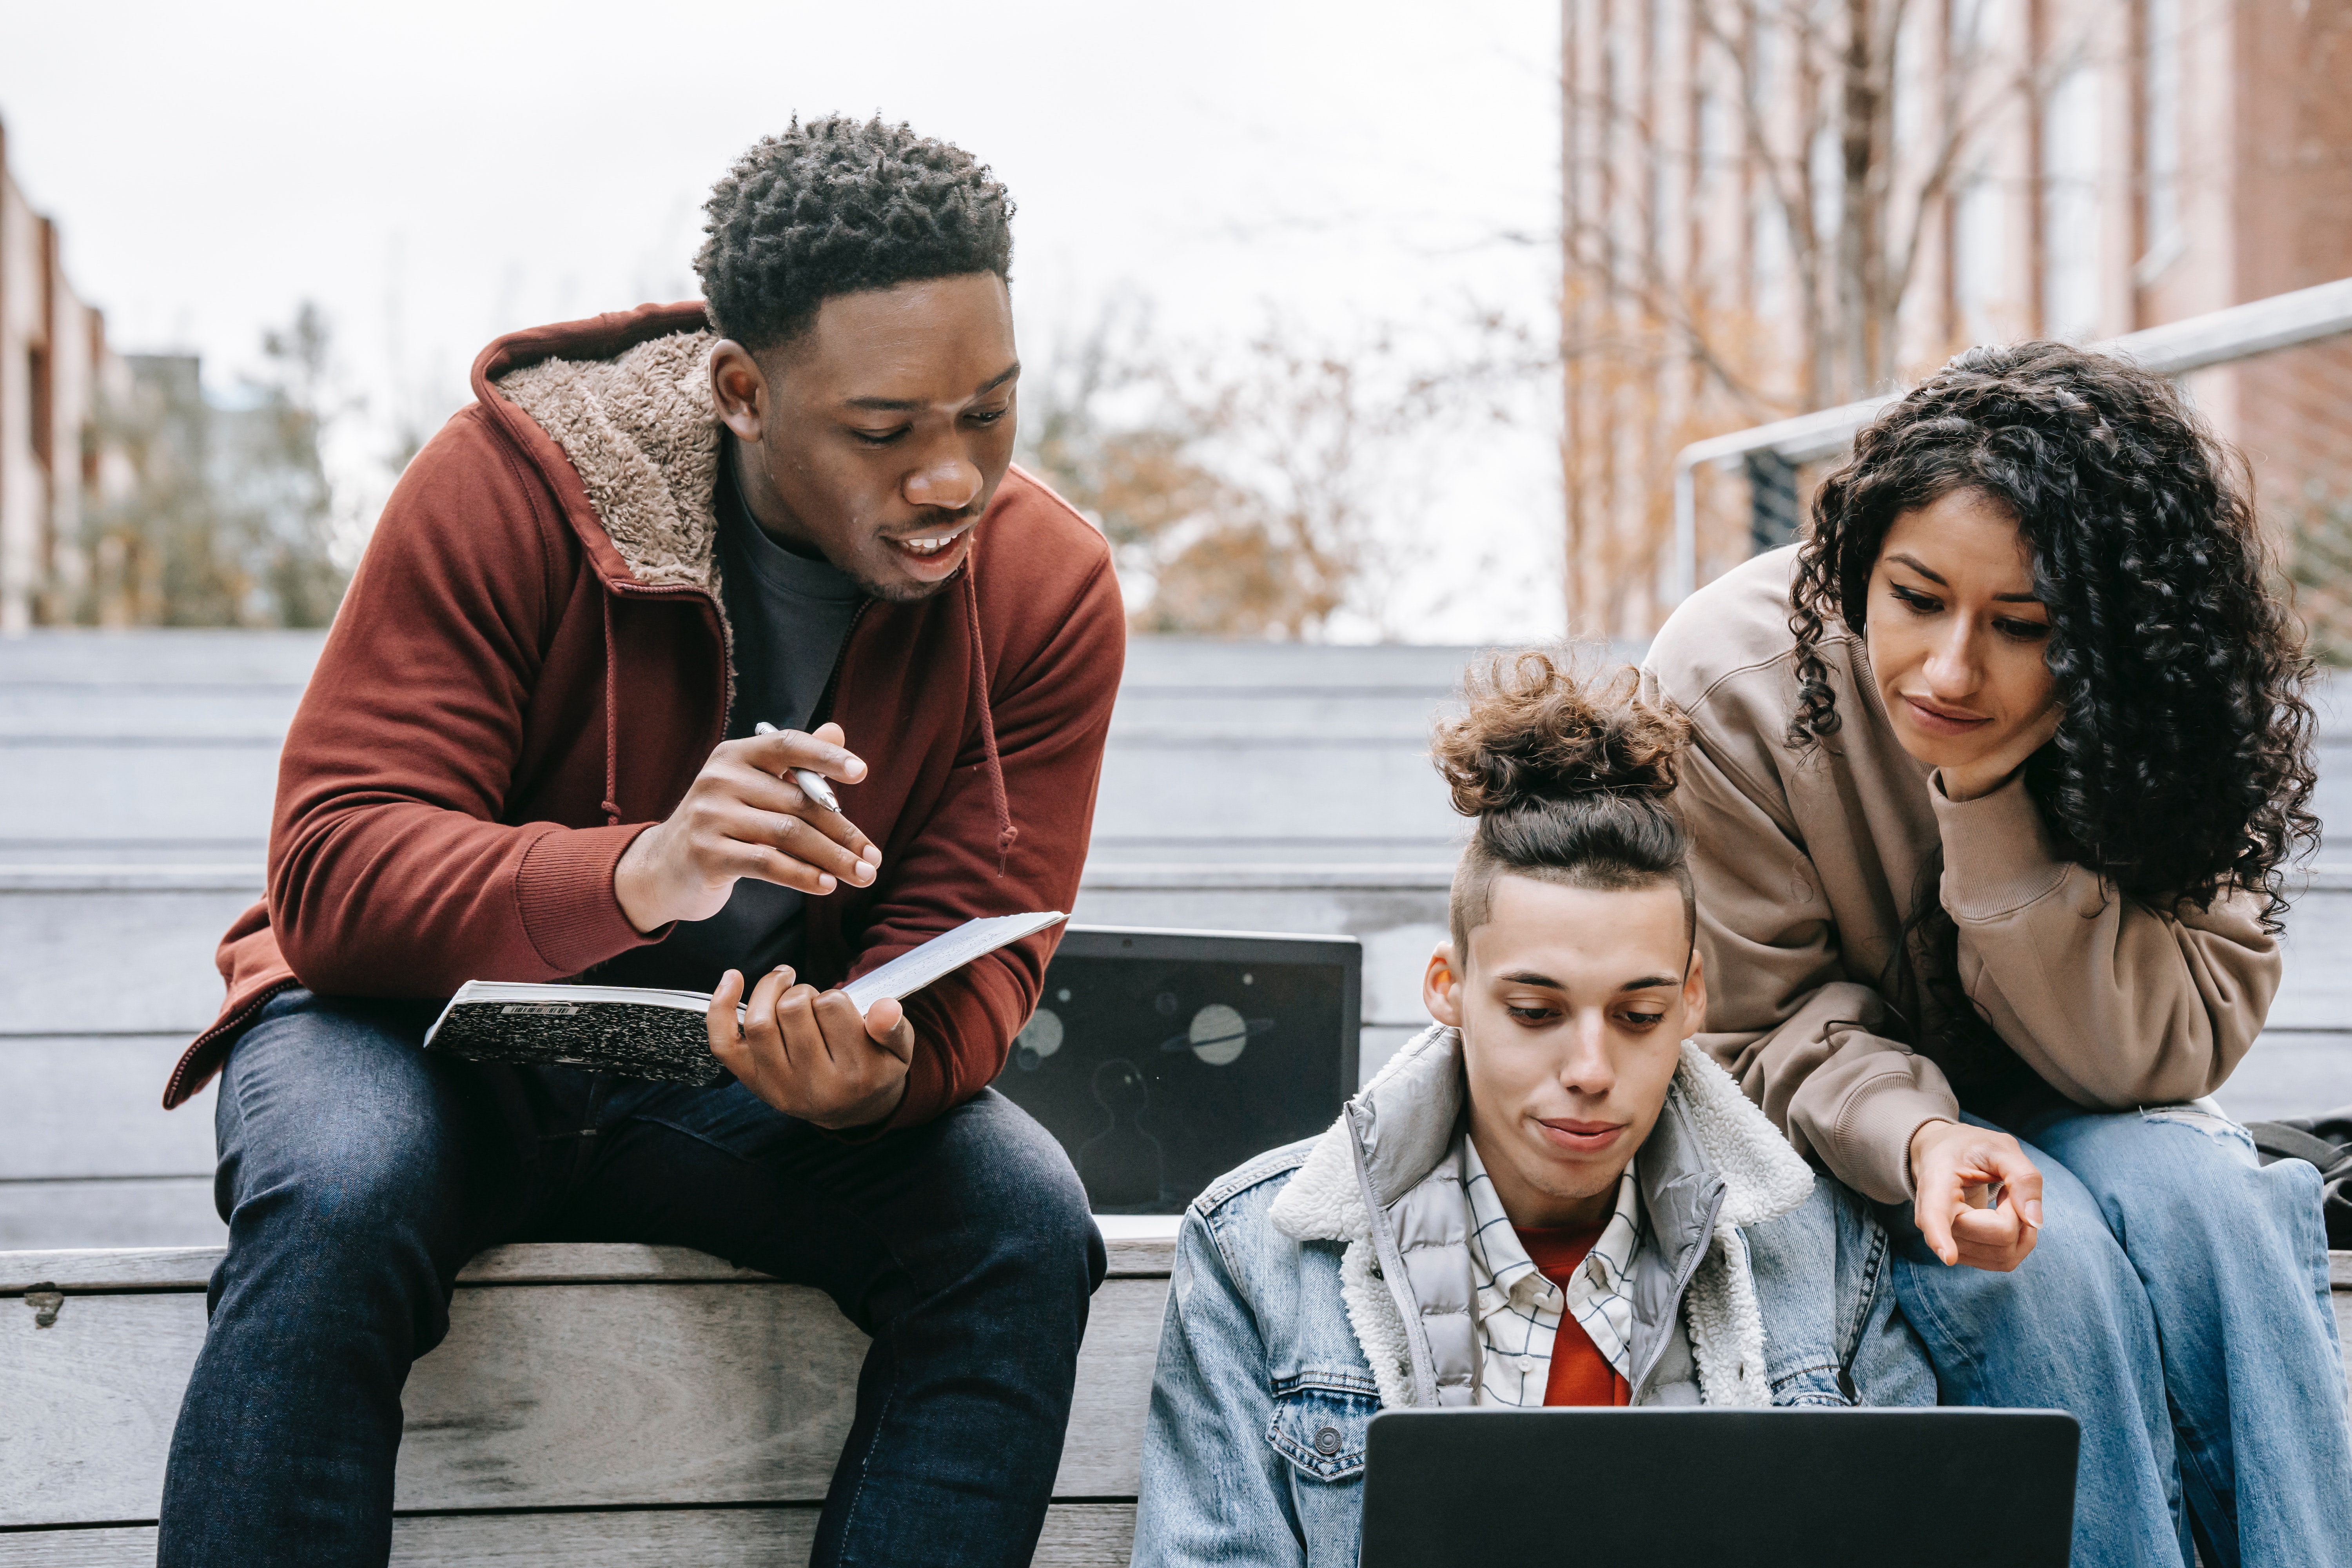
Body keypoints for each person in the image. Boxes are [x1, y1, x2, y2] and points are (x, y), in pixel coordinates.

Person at [154, 116, 1124, 1568]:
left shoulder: (1048, 586)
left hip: (710, 1079)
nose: (951, 479)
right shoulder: (512, 483)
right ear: (743, 389)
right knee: (342, 1194)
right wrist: (637, 872)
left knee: (1023, 1222)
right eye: (885, 430)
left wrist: (880, 1076)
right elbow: (333, 870)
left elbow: (983, 935)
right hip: (405, 1036)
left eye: (989, 411)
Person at [1645, 341, 2352, 1566]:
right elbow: (1750, 1026)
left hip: (2107, 1107)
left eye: (2022, 627)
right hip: (1852, 1148)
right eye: (1916, 601)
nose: (1952, 669)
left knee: (2208, 1205)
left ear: (2108, 639)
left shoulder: (2165, 694)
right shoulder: (1726, 682)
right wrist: (1922, 1135)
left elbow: (2172, 1046)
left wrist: (1985, 803)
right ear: (1859, 566)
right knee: (2038, 1255)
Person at [1129, 653, 1934, 1566]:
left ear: (1695, 998)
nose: (1590, 1069)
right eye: (1536, 1012)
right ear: (1448, 988)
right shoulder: (1257, 1254)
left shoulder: (1821, 1252)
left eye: (1639, 1015)